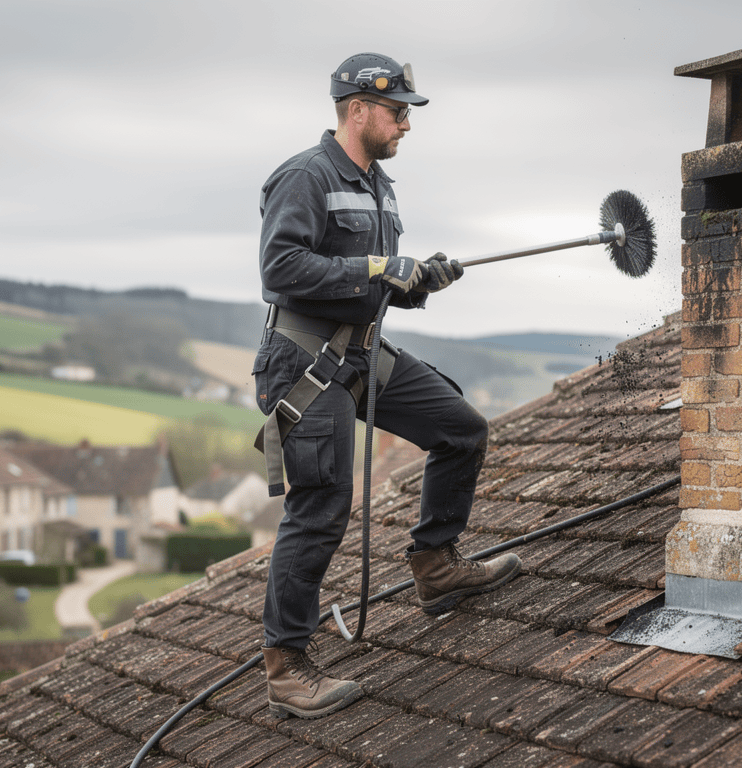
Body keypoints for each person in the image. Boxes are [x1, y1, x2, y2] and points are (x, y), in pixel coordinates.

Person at [254, 52, 521, 720]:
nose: (407, 123)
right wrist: (377, 264)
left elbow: (374, 283)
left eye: (408, 112)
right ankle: (286, 666)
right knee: (321, 507)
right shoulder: (306, 176)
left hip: (363, 351)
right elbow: (283, 268)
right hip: (307, 361)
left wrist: (418, 277)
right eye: (399, 111)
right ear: (357, 110)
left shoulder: (381, 186)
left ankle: (435, 566)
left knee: (461, 430)